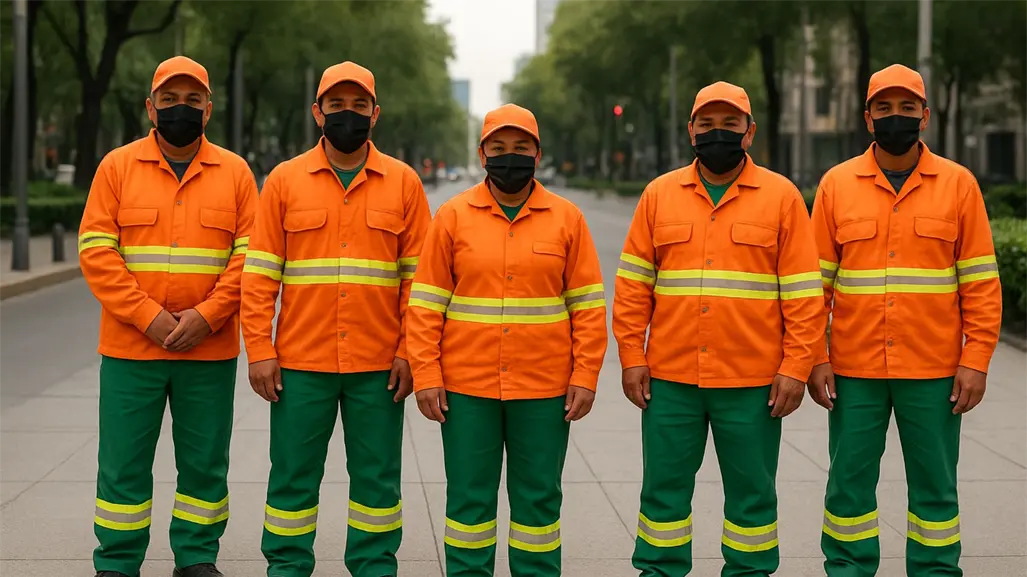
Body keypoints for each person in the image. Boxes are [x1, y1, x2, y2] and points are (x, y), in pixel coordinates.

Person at [613, 81, 826, 577]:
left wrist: (796, 367)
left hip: (753, 383)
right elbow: (633, 289)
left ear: (749, 133)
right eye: (706, 124)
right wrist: (632, 358)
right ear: (690, 130)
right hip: (671, 380)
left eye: (730, 124)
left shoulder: (781, 197)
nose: (717, 133)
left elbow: (803, 295)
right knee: (662, 494)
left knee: (752, 498)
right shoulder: (658, 195)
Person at [808, 64, 1003, 577]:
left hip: (934, 370)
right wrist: (817, 357)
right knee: (848, 484)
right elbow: (815, 289)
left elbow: (981, 283)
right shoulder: (836, 185)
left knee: (935, 486)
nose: (896, 117)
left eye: (907, 108)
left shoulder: (958, 186)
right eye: (885, 108)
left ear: (925, 117)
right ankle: (848, 569)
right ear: (867, 118)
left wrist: (976, 359)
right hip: (855, 370)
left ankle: (936, 571)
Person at [240, 61, 431, 577]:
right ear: (316, 112)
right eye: (337, 106)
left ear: (376, 113)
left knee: (377, 481)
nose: (349, 115)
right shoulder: (283, 181)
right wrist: (260, 350)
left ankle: (373, 566)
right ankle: (286, 567)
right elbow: (259, 276)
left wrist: (410, 352)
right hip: (301, 365)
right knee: (292, 480)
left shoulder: (405, 185)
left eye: (359, 106)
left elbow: (421, 283)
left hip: (378, 366)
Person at [406, 103, 608, 576]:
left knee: (538, 503)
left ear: (538, 154)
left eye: (520, 149)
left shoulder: (567, 219)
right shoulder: (453, 217)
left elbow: (587, 306)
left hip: (543, 389)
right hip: (465, 388)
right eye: (498, 148)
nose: (509, 157)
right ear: (482, 154)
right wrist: (426, 374)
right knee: (468, 503)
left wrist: (586, 374)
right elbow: (426, 305)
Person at [78, 56, 256, 577]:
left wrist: (209, 314)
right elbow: (96, 251)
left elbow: (252, 257)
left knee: (204, 464)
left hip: (209, 349)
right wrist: (147, 316)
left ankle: (196, 558)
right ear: (150, 108)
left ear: (209, 108)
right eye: (171, 99)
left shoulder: (236, 173)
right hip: (132, 349)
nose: (182, 108)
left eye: (193, 100)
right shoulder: (116, 167)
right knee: (122, 464)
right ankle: (116, 561)